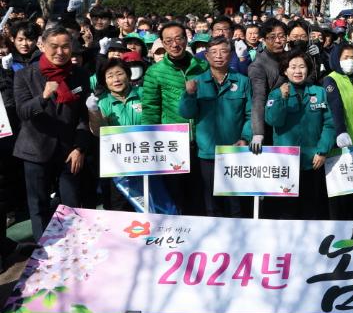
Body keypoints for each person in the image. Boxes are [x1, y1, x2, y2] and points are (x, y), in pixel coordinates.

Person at [13, 25, 92, 242]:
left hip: (69, 150)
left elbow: (84, 116)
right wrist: (43, 97)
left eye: (65, 46)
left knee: (71, 202)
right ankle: (43, 254)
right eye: (54, 46)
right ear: (42, 46)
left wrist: (79, 147)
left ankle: (73, 248)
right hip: (35, 149)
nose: (60, 52)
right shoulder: (25, 75)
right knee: (38, 205)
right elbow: (22, 112)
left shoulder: (80, 74)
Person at [179, 37, 253, 218]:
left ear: (231, 54)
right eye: (214, 52)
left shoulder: (243, 81)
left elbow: (251, 115)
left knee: (236, 203)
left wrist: (245, 137)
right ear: (207, 56)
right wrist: (189, 94)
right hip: (208, 152)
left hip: (235, 150)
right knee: (212, 203)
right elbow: (186, 113)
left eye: (224, 51)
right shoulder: (196, 82)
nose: (219, 56)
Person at [141, 21, 208, 214]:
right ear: (162, 43)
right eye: (168, 40)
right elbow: (151, 109)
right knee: (176, 195)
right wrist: (150, 138)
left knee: (200, 194)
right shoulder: (155, 71)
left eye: (179, 38)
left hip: (201, 141)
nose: (174, 44)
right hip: (173, 143)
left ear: (187, 39)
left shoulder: (202, 66)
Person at [265, 50, 335, 220]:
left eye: (302, 67)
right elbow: (273, 121)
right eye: (293, 67)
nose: (297, 71)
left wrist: (322, 150)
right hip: (286, 163)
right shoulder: (276, 93)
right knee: (287, 210)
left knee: (312, 208)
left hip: (313, 161)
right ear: (285, 71)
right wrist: (282, 98)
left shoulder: (319, 92)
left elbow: (330, 124)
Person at [86, 58, 144, 211]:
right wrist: (94, 112)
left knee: (149, 204)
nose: (116, 79)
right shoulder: (102, 102)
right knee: (118, 207)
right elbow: (98, 131)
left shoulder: (143, 94)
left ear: (128, 75)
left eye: (119, 73)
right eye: (110, 76)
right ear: (104, 81)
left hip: (145, 159)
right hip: (116, 165)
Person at [321, 43, 353, 219]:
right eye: (346, 58)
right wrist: (340, 130)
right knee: (339, 194)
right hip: (339, 146)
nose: (351, 61)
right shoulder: (331, 79)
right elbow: (335, 106)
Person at [248, 19, 288, 157]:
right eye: (272, 37)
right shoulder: (258, 65)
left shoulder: (288, 57)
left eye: (282, 36)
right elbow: (258, 98)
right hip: (271, 125)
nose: (278, 41)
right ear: (264, 40)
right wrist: (258, 133)